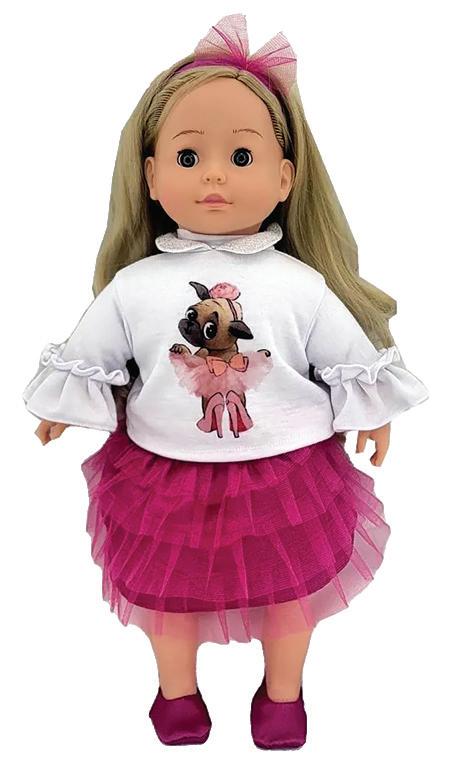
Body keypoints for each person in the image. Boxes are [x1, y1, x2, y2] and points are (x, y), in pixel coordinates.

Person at [22, 13, 429, 750]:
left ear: (285, 177)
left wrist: (372, 410)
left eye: (241, 155)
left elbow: (345, 352)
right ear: (151, 175)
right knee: (166, 596)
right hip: (163, 470)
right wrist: (65, 406)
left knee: (291, 592)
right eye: (189, 155)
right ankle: (176, 692)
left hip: (287, 471)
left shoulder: (299, 283)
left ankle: (283, 693)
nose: (214, 174)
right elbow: (94, 350)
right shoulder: (136, 285)